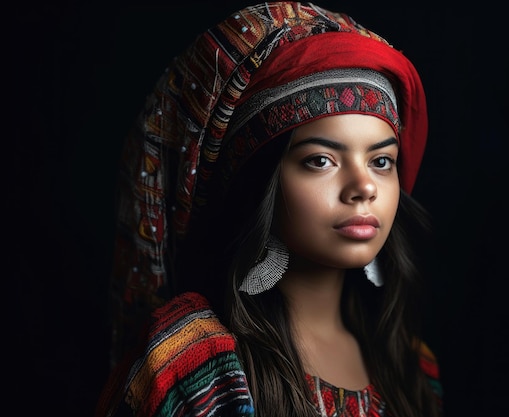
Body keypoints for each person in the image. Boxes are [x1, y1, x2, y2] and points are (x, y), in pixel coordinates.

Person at [95, 2, 443, 416]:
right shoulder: (194, 366)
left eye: (381, 161)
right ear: (260, 180)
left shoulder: (412, 367)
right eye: (321, 160)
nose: (364, 187)